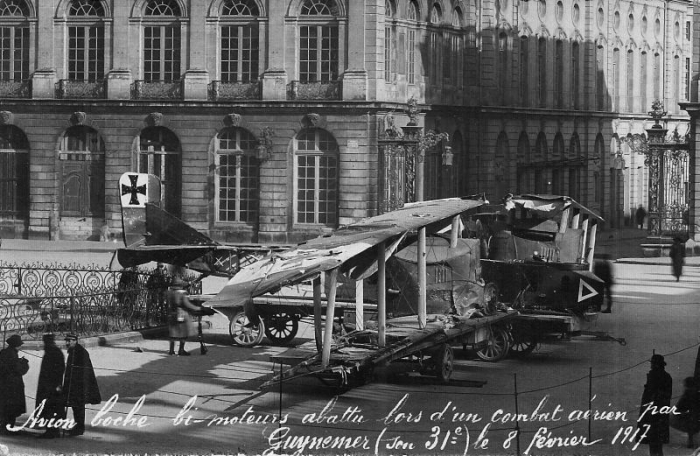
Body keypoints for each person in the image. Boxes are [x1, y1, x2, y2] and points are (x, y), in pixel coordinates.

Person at [62, 334, 101, 437]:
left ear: (75, 341)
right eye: (66, 341)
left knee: (78, 406)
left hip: (79, 385)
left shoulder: (80, 352)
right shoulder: (73, 351)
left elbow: (83, 370)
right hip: (75, 384)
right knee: (76, 406)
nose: (67, 343)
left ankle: (79, 428)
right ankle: (78, 426)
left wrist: (74, 381)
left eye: (70, 341)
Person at [638, 354, 672, 456]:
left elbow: (651, 393)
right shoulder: (666, 376)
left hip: (652, 411)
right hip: (661, 410)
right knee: (658, 442)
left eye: (652, 363)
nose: (651, 365)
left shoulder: (654, 376)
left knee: (652, 440)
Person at [35, 334, 65, 439]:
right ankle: (52, 430)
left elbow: (59, 369)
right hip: (51, 385)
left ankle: (52, 431)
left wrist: (55, 384)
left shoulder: (52, 352)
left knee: (50, 408)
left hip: (51, 386)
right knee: (51, 408)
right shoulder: (55, 351)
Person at [0, 335, 29, 433]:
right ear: (16, 345)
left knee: (4, 407)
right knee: (11, 408)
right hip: (13, 386)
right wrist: (24, 364)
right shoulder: (12, 354)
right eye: (19, 345)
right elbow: (18, 370)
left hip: (4, 385)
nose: (20, 347)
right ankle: (8, 428)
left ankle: (4, 426)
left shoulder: (4, 352)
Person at [167, 276, 200, 356]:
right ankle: (181, 350)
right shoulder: (182, 294)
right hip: (181, 315)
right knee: (183, 333)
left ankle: (171, 351)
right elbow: (187, 304)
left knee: (173, 334)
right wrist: (198, 308)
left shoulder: (170, 293)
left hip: (172, 314)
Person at [671, 377, 700, 448]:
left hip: (691, 418)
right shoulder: (697, 393)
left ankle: (691, 441)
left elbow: (679, 408)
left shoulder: (687, 395)